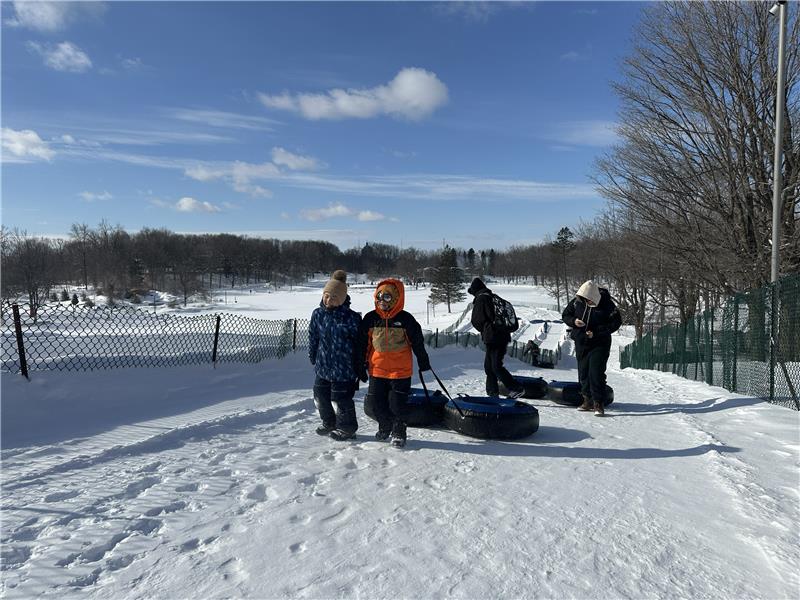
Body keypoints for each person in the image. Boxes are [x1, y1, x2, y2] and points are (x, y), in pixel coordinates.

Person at [357, 278, 431, 448]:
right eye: (379, 296)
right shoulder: (370, 319)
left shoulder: (405, 319)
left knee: (397, 404)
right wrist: (360, 364)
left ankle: (399, 432)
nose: (382, 301)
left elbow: (417, 342)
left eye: (387, 297)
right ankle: (385, 425)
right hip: (377, 370)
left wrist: (423, 360)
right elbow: (363, 344)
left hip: (400, 371)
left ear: (397, 298)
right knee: (376, 403)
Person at [308, 270, 362, 440]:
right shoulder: (318, 314)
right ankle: (329, 422)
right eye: (326, 295)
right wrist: (313, 354)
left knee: (341, 398)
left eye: (333, 297)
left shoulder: (351, 318)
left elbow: (360, 344)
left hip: (344, 367)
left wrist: (360, 365)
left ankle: (347, 428)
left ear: (342, 299)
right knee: (319, 394)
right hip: (323, 365)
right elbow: (313, 336)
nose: (328, 300)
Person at [562, 280, 621, 416]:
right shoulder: (576, 302)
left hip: (600, 342)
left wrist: (598, 332)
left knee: (596, 372)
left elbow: (616, 322)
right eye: (584, 300)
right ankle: (586, 399)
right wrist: (574, 322)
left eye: (588, 300)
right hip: (581, 341)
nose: (586, 302)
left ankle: (598, 402)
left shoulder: (607, 304)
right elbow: (566, 315)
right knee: (583, 372)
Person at [467, 277, 525, 398]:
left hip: (494, 337)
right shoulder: (493, 297)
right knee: (489, 367)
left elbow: (477, 320)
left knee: (495, 366)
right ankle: (492, 394)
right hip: (501, 335)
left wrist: (484, 330)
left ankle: (516, 388)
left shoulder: (481, 299)